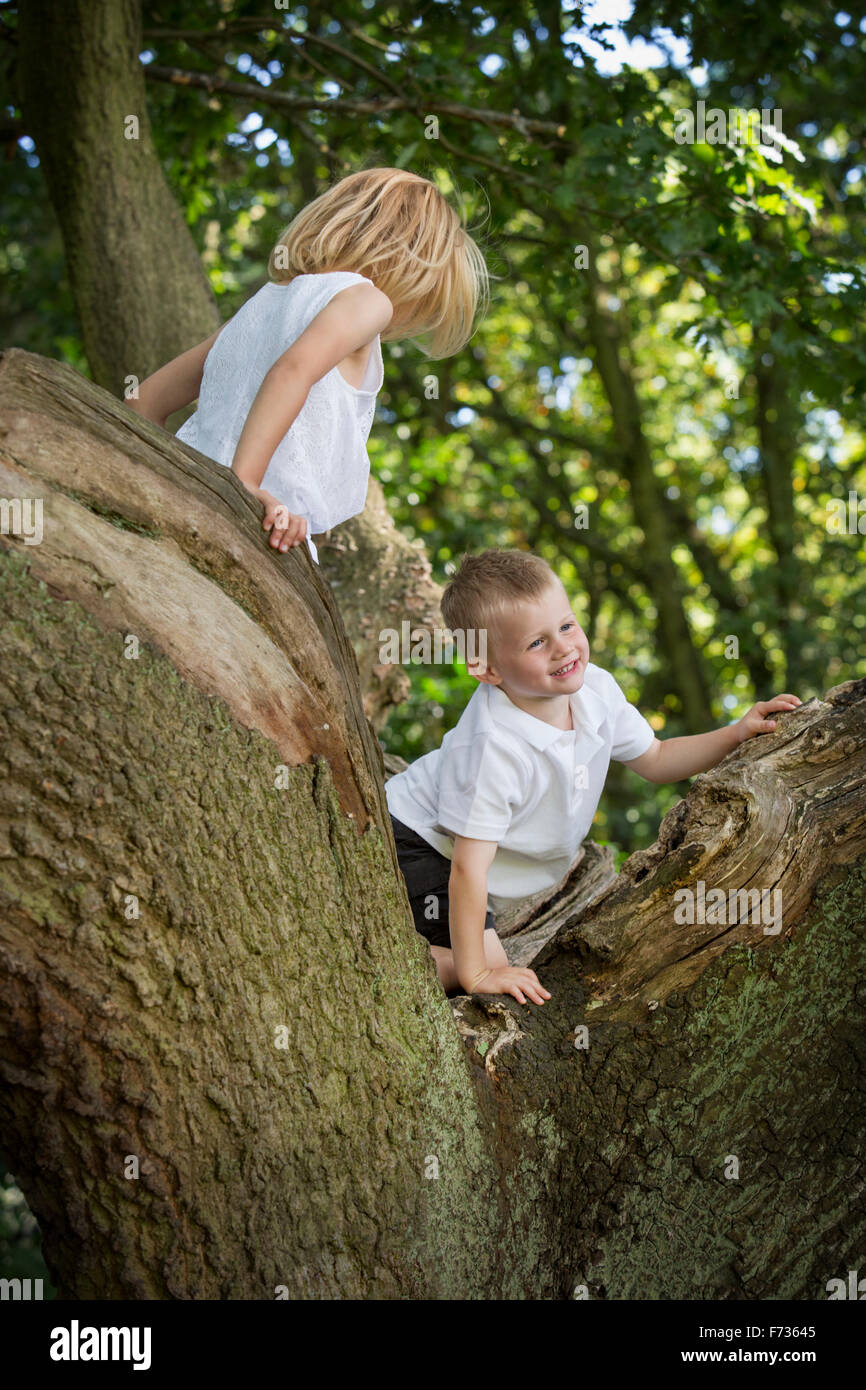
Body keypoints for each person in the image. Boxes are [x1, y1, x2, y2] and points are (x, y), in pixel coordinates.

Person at [385, 549, 802, 1005]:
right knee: (494, 977)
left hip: (460, 859)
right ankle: (395, 957)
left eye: (566, 626)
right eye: (536, 643)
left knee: (496, 963)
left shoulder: (595, 690)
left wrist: (736, 733)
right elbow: (467, 869)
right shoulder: (494, 748)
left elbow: (658, 758)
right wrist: (479, 972)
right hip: (422, 844)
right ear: (487, 669)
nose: (564, 647)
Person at [125, 168, 488, 561]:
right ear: (413, 266)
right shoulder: (368, 301)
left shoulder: (262, 303)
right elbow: (292, 372)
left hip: (183, 496)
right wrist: (245, 481)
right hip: (259, 525)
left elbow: (141, 403)